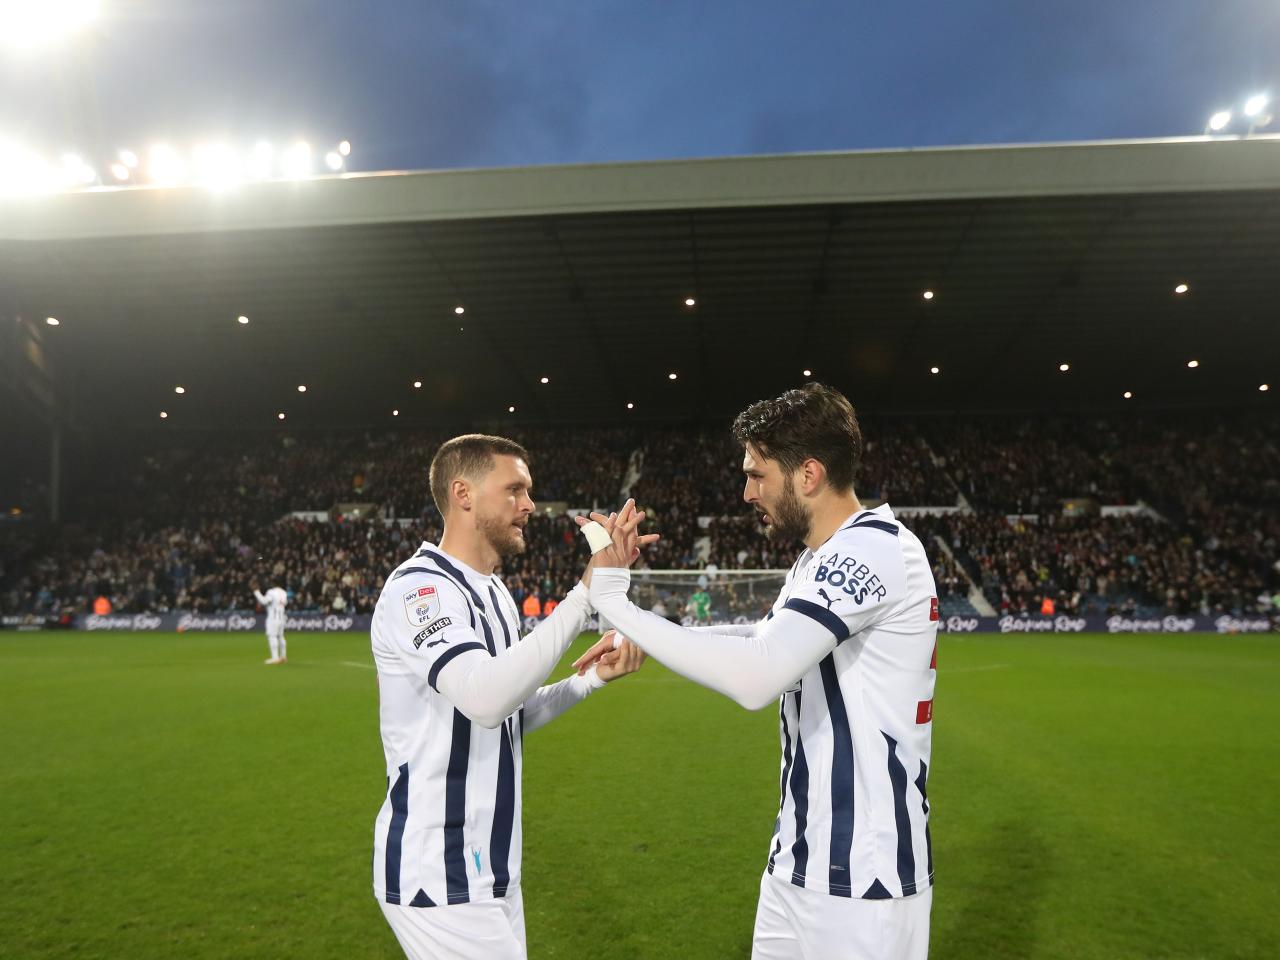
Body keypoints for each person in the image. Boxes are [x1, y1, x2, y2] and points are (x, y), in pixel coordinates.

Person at [576, 384, 939, 960]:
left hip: (863, 876)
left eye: (757, 474)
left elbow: (758, 675)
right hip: (797, 859)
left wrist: (616, 600)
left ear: (809, 474)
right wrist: (640, 635)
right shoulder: (818, 558)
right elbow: (761, 638)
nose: (746, 492)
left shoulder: (874, 550)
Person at [370, 435, 654, 960]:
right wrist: (586, 593)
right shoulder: (419, 589)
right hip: (442, 872)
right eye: (515, 490)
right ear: (463, 493)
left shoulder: (496, 592)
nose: (529, 505)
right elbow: (484, 699)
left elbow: (508, 714)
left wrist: (589, 680)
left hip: (493, 866)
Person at [253, 584, 288, 664]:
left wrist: (256, 592)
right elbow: (285, 603)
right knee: (281, 636)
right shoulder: (284, 593)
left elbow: (264, 601)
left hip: (273, 618)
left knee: (272, 637)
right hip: (282, 617)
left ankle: (275, 658)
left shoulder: (271, 592)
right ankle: (283, 656)